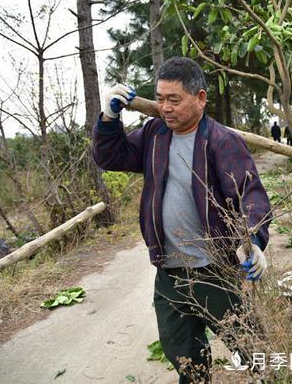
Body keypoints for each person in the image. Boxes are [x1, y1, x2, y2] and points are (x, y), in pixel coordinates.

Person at [92, 57, 271, 383]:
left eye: (174, 100)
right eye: (160, 99)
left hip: (214, 274)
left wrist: (254, 241)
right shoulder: (154, 135)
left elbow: (250, 196)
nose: (166, 108)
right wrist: (109, 117)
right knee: (187, 361)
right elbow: (111, 156)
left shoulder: (221, 141)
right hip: (170, 274)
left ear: (200, 98)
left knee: (251, 348)